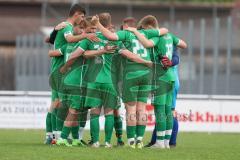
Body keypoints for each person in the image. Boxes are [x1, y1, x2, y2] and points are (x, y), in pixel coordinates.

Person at [91, 14, 168, 148]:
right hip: (146, 73)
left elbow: (111, 37)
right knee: (142, 109)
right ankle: (140, 139)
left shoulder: (125, 34)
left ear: (126, 26)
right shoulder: (146, 32)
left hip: (131, 74)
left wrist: (97, 24)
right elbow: (164, 30)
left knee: (131, 109)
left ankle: (131, 140)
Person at [125, 15, 187, 149]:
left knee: (160, 111)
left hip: (160, 77)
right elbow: (184, 44)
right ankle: (165, 143)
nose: (145, 33)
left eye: (144, 30)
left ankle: (159, 142)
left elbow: (147, 44)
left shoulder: (156, 37)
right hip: (172, 77)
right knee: (168, 111)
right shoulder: (170, 36)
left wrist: (136, 32)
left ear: (147, 27)